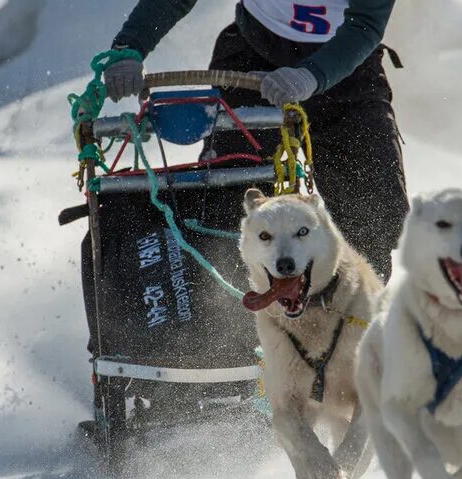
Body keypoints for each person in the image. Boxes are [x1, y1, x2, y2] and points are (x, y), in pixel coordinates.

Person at [103, 0, 408, 280]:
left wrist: (310, 75)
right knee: (229, 205)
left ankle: (352, 320)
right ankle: (231, 325)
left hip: (346, 67)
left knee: (374, 215)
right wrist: (130, 45)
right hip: (253, 54)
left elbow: (365, 24)